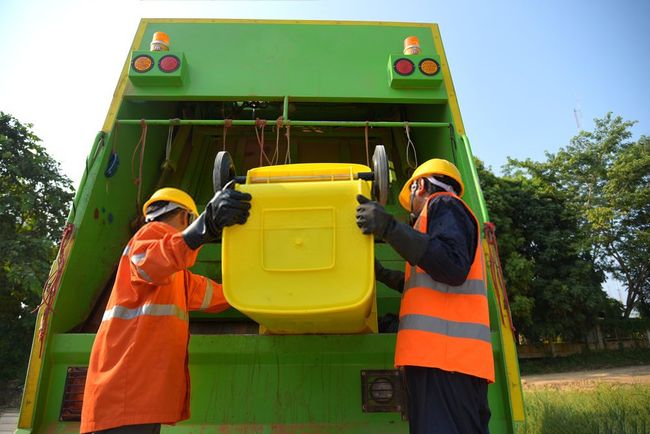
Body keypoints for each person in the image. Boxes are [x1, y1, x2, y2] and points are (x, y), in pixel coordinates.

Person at [80, 186, 252, 434]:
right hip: (125, 396)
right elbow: (153, 261)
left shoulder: (176, 278)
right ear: (186, 218)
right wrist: (206, 227)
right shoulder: (149, 235)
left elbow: (212, 294)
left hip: (133, 397)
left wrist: (257, 289)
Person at [355, 159, 494, 434]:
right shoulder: (448, 215)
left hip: (445, 361)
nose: (411, 212)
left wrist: (389, 228)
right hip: (448, 362)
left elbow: (452, 266)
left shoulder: (444, 204)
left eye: (411, 201)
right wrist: (382, 274)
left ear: (420, 185)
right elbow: (430, 282)